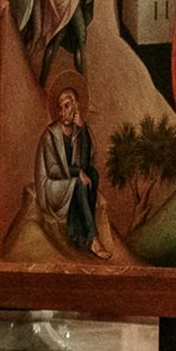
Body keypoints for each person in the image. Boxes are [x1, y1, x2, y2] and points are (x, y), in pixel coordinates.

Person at [33, 73, 102, 257]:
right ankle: (93, 239)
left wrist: (83, 129)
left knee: (93, 175)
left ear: (76, 106)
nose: (62, 112)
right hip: (52, 186)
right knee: (79, 182)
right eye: (60, 107)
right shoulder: (50, 135)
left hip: (68, 180)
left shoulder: (79, 131)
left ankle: (81, 233)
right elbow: (53, 170)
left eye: (67, 106)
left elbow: (85, 163)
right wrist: (77, 172)